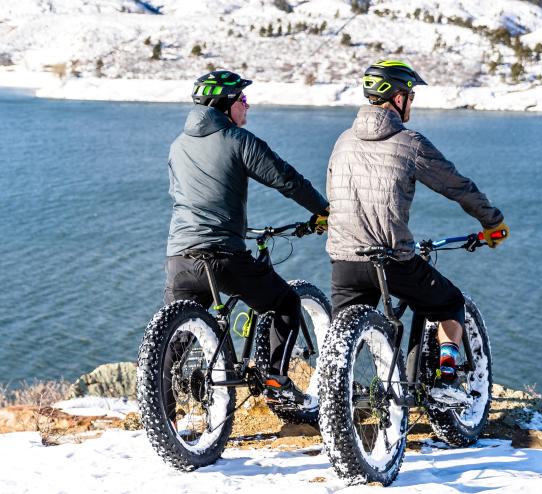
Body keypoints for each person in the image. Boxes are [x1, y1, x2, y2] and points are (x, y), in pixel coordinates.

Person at [325, 60, 509, 400]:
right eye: (410, 96)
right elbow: (457, 186)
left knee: (342, 342)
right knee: (449, 302)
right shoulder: (409, 143)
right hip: (391, 261)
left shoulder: (342, 141)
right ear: (398, 98)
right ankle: (445, 378)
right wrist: (492, 222)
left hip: (344, 262)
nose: (411, 102)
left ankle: (339, 398)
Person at [165, 70, 329, 407]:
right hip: (222, 255)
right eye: (242, 98)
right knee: (286, 303)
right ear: (225, 104)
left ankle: (162, 415)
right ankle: (276, 380)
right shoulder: (238, 140)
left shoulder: (178, 145)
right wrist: (323, 210)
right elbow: (286, 179)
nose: (247, 104)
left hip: (179, 257)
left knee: (174, 338)